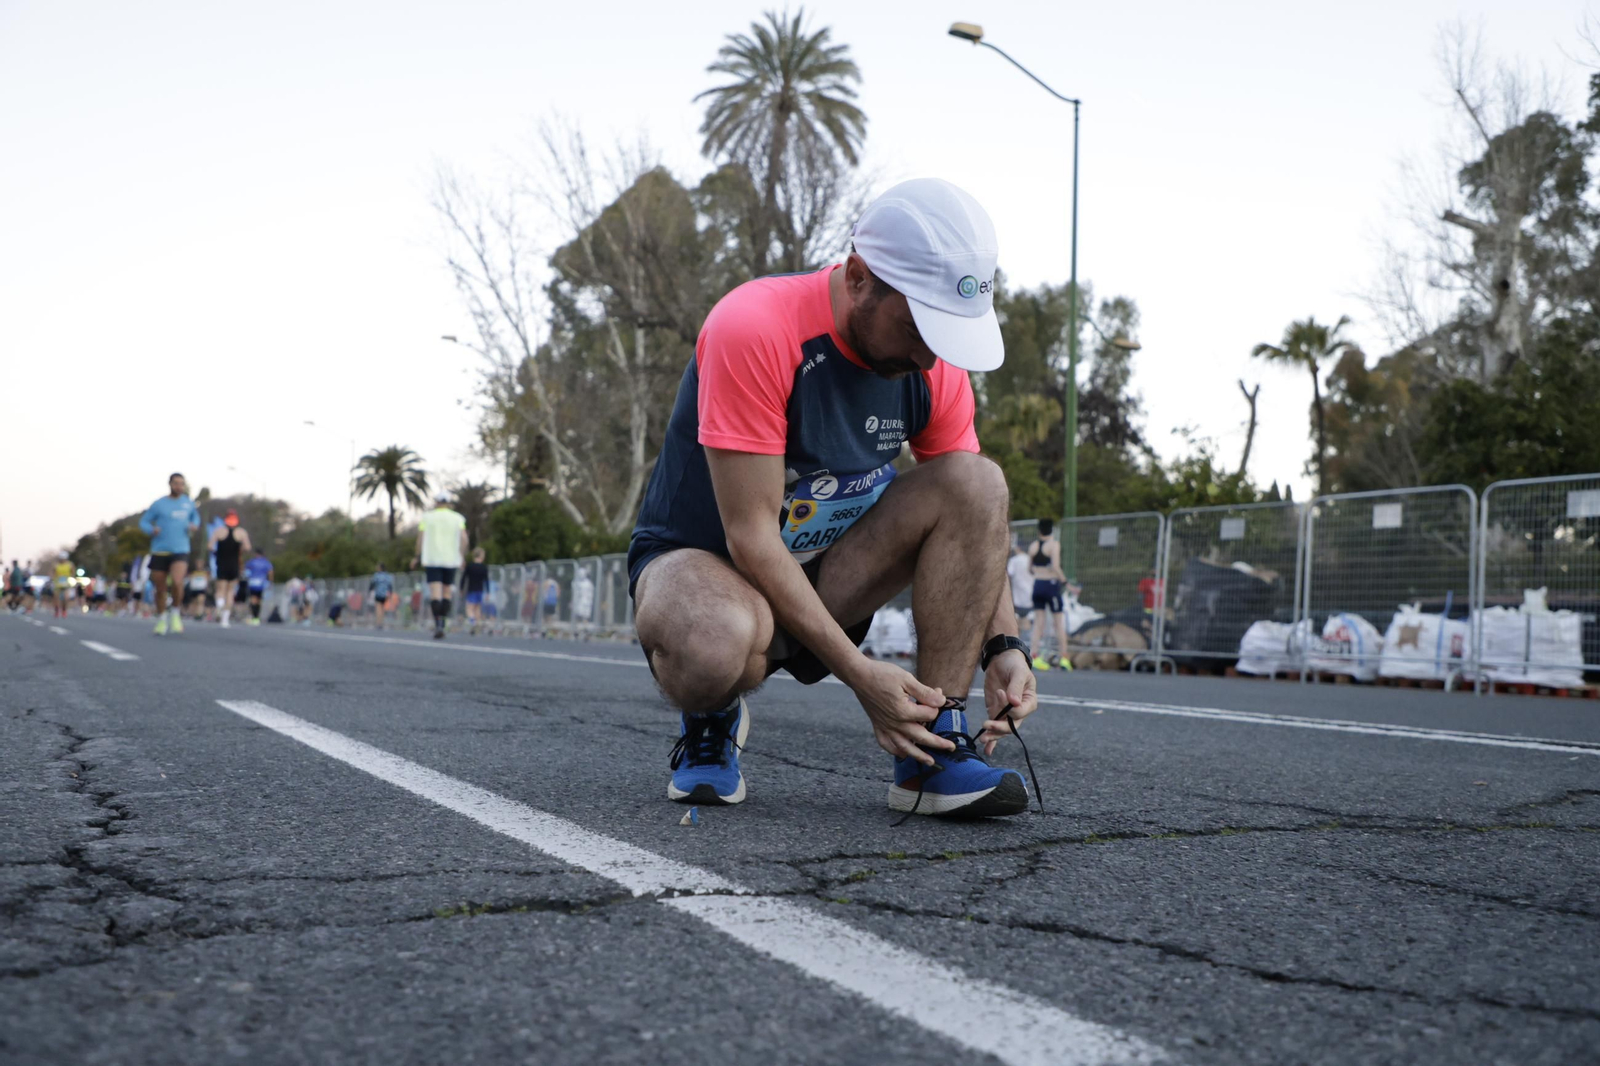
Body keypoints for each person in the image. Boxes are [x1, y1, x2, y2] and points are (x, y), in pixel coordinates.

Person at [627, 178, 1038, 818]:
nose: (928, 356)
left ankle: (934, 747)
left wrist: (1005, 647)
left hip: (829, 573)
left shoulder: (936, 367)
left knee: (978, 477)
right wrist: (861, 676)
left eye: (944, 334)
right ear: (856, 278)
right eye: (915, 327)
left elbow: (975, 510)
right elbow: (751, 538)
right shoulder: (755, 326)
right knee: (716, 643)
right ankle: (711, 713)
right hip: (709, 567)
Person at [138, 473, 201, 635]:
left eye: (182, 484)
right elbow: (144, 522)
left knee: (178, 581)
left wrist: (194, 525)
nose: (179, 486)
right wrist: (152, 529)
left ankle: (175, 613)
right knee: (160, 588)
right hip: (160, 550)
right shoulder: (159, 504)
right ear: (170, 484)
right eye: (176, 483)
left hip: (181, 549)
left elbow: (196, 519)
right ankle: (161, 618)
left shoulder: (188, 503)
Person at [414, 493, 467, 640]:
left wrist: (417, 556)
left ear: (436, 502)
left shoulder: (427, 517)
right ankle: (443, 623)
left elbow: (420, 538)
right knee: (447, 592)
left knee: (435, 594)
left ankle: (437, 623)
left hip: (432, 559)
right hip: (451, 560)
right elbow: (464, 538)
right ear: (449, 503)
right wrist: (461, 555)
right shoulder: (458, 518)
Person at [1026, 518, 1070, 670]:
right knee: (1058, 622)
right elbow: (1056, 566)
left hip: (1037, 584)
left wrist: (1040, 571)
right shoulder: (1054, 545)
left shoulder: (1033, 546)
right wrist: (1065, 582)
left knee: (1039, 622)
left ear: (1039, 530)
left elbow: (1029, 569)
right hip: (1051, 585)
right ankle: (1064, 657)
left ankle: (1034, 655)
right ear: (1052, 530)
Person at [209, 509, 251, 628]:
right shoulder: (241, 532)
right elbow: (247, 547)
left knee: (220, 589)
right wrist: (240, 550)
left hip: (222, 562)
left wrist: (217, 552)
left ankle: (219, 605)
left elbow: (210, 546)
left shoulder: (219, 531)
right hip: (234, 563)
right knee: (230, 591)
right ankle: (225, 619)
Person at [1006, 541, 1034, 637]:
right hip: (1030, 598)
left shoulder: (1014, 560)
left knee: (1016, 624)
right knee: (1028, 624)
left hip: (1017, 599)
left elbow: (1008, 574)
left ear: (1018, 548)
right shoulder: (1030, 560)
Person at [462, 548, 489, 635]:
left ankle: (472, 621)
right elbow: (486, 580)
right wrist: (488, 592)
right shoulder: (484, 567)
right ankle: (477, 625)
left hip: (471, 589)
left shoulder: (470, 566)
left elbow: (464, 578)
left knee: (469, 608)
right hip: (480, 590)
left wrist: (461, 588)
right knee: (477, 608)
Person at [242, 549, 273, 625]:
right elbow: (270, 572)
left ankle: (254, 616)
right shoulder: (266, 562)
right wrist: (270, 582)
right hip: (262, 583)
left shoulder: (252, 561)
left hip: (252, 582)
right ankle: (256, 617)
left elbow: (245, 570)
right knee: (259, 600)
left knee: (253, 600)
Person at [369, 564, 395, 629]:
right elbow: (390, 585)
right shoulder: (388, 576)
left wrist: (370, 590)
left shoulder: (377, 575)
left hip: (378, 594)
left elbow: (372, 583)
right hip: (385, 594)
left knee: (378, 608)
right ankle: (381, 622)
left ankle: (378, 623)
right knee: (382, 608)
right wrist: (390, 593)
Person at [52, 552, 74, 618]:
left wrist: (71, 579)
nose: (62, 560)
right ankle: (56, 610)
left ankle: (64, 610)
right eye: (61, 559)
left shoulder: (70, 565)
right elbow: (52, 573)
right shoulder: (56, 565)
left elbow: (73, 572)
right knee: (56, 598)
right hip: (57, 584)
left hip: (66, 584)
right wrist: (52, 578)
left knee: (66, 598)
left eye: (63, 559)